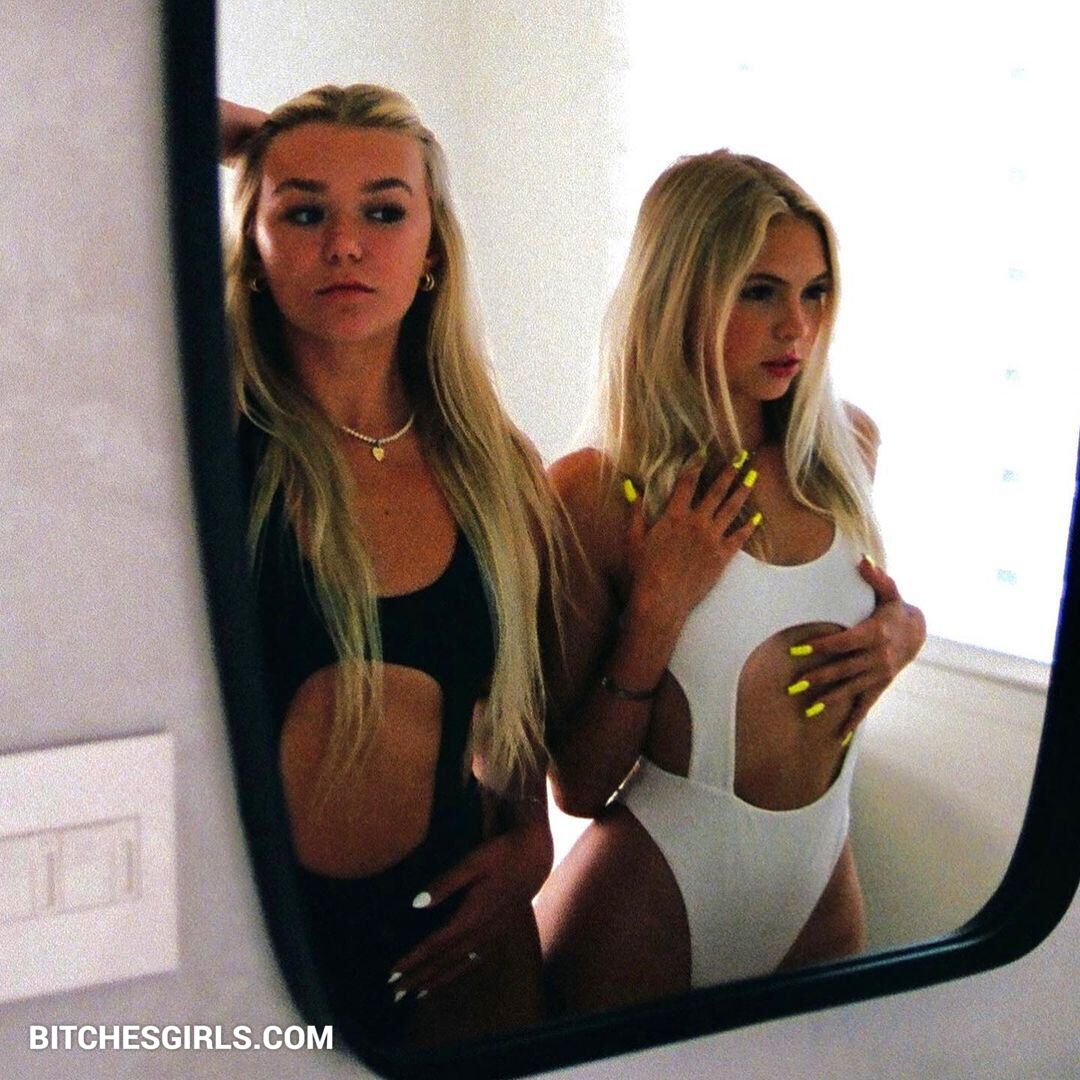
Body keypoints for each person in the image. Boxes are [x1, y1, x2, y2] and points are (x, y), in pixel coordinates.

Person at [535, 150, 927, 1013]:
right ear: (681, 294)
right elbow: (579, 786)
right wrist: (656, 611)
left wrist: (905, 633)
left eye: (814, 292)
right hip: (650, 905)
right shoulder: (595, 492)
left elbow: (854, 612)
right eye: (759, 292)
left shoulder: (848, 449)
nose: (796, 326)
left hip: (819, 886)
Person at [221, 84, 559, 1048]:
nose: (345, 245)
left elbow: (514, 696)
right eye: (303, 214)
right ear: (254, 246)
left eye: (383, 211)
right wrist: (259, 141)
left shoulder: (494, 463)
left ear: (433, 247)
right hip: (251, 951)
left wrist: (532, 841)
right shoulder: (207, 448)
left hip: (457, 934)